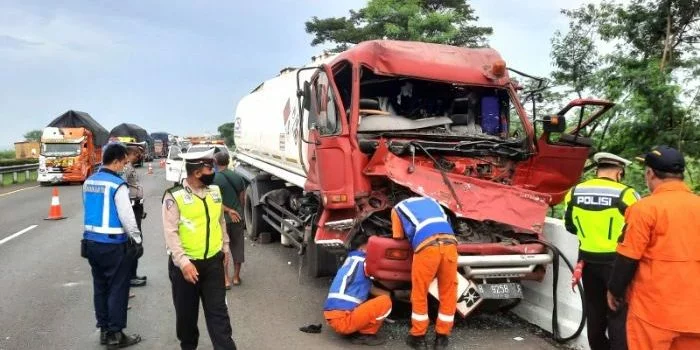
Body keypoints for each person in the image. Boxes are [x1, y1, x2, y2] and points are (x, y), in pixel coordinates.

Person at [608, 145, 700, 350]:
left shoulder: (645, 209)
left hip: (653, 313)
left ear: (649, 173)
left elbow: (627, 258)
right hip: (695, 314)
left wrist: (614, 290)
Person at [562, 152, 640, 350]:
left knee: (595, 313)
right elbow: (637, 229)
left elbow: (570, 226)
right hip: (617, 264)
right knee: (617, 314)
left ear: (597, 170)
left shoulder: (575, 192)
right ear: (619, 172)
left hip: (588, 263)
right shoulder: (626, 194)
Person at [162, 148, 237, 350]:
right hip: (185, 267)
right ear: (197, 172)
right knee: (186, 318)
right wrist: (183, 262)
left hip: (213, 263)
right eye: (209, 168)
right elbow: (171, 233)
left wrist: (225, 248)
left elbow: (220, 221)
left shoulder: (215, 192)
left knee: (219, 315)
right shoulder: (174, 196)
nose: (213, 171)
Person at [82, 143, 143, 349]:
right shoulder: (117, 184)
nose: (123, 166)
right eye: (123, 162)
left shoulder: (89, 181)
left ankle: (104, 330)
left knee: (100, 287)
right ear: (116, 161)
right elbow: (127, 216)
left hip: (91, 243)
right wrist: (137, 239)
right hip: (113, 244)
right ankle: (116, 335)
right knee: (117, 288)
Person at [392, 196, 457, 350]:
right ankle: (442, 338)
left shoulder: (398, 208)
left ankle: (418, 337)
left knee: (420, 291)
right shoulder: (434, 201)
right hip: (450, 243)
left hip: (427, 247)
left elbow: (398, 237)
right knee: (448, 291)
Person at [323, 235, 393, 346]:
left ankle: (354, 327)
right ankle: (365, 335)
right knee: (385, 301)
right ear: (361, 249)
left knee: (382, 297)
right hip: (343, 320)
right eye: (370, 247)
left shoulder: (350, 261)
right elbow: (387, 280)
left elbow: (368, 288)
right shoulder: (364, 261)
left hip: (334, 316)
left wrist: (391, 294)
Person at [212, 151, 247, 288]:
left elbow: (213, 201)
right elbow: (242, 199)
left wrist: (227, 210)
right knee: (238, 247)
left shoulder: (214, 179)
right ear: (228, 161)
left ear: (215, 162)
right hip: (237, 218)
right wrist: (238, 211)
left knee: (223, 249)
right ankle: (236, 277)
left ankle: (226, 279)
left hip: (222, 220)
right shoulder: (238, 177)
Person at [124, 146, 147, 288]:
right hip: (131, 207)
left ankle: (133, 274)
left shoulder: (130, 167)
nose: (138, 157)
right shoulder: (126, 168)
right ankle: (130, 276)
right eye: (136, 155)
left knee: (136, 241)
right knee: (134, 242)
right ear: (129, 154)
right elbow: (124, 188)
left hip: (136, 206)